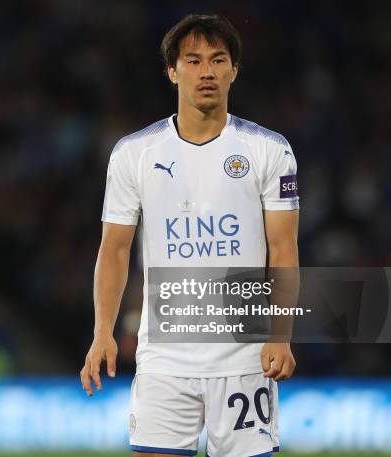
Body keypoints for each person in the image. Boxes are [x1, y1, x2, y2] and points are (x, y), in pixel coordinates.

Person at [80, 13, 299, 457]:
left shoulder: (269, 150)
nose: (207, 71)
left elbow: (283, 247)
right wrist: (103, 330)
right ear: (172, 70)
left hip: (244, 359)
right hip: (164, 359)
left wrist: (281, 334)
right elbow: (115, 250)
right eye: (194, 60)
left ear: (234, 71)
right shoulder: (133, 154)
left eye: (218, 60)